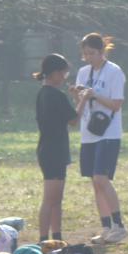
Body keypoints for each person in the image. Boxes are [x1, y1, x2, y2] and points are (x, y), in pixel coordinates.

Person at [74, 33, 127, 244]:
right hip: (88, 133)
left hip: (108, 132)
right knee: (94, 183)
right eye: (85, 54)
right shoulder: (83, 71)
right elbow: (81, 99)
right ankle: (106, 227)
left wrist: (93, 94)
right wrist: (77, 94)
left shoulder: (114, 71)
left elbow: (116, 104)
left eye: (92, 53)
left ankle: (119, 225)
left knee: (101, 178)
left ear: (102, 51)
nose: (88, 57)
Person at [34, 53, 79, 241]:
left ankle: (57, 236)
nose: (64, 78)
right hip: (53, 151)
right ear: (53, 73)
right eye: (63, 74)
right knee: (50, 199)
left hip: (52, 149)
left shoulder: (43, 93)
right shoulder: (55, 94)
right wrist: (81, 99)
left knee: (57, 199)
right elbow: (74, 120)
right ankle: (44, 239)